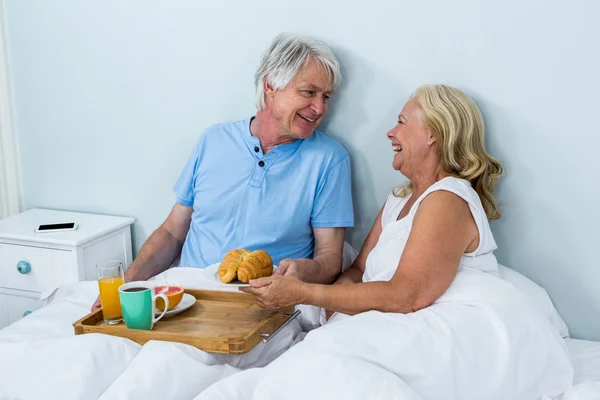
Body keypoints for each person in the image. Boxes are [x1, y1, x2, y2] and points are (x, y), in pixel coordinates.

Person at [92, 33, 354, 310]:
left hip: (260, 302)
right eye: (309, 92)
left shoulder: (329, 159)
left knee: (169, 356)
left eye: (326, 96)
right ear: (270, 85)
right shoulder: (214, 140)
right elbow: (172, 233)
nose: (320, 107)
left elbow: (329, 258)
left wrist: (303, 272)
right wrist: (127, 285)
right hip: (184, 295)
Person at [241, 83, 504, 315]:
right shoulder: (399, 198)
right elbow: (357, 271)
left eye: (401, 122)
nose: (390, 132)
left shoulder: (448, 198)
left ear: (433, 134)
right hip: (377, 322)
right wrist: (334, 312)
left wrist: (303, 293)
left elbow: (407, 296)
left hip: (432, 328)